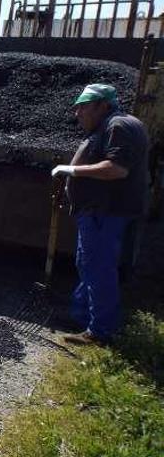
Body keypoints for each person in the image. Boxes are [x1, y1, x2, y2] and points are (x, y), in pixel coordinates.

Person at [52, 83, 150, 345]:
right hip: (97, 211)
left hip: (106, 212)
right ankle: (82, 315)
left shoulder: (118, 126)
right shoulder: (108, 125)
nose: (78, 113)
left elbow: (116, 169)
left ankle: (100, 331)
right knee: (88, 264)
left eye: (83, 107)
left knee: (98, 268)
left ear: (103, 105)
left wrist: (71, 171)